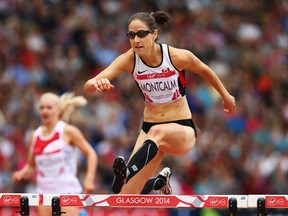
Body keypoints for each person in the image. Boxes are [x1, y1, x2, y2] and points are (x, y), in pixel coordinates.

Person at [84, 11, 236, 195]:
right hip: (149, 128)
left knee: (157, 133)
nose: (136, 40)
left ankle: (127, 172)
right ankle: (158, 181)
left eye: (141, 34)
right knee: (125, 196)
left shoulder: (176, 56)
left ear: (154, 34)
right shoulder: (129, 59)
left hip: (181, 128)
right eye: (131, 35)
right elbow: (88, 86)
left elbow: (204, 70)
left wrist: (226, 96)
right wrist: (96, 84)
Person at [13, 92, 98, 216]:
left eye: (49, 107)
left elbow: (91, 153)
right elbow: (31, 166)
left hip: (67, 193)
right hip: (43, 195)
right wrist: (22, 174)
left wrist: (89, 179)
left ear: (58, 110)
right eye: (41, 108)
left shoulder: (68, 131)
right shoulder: (34, 136)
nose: (44, 111)